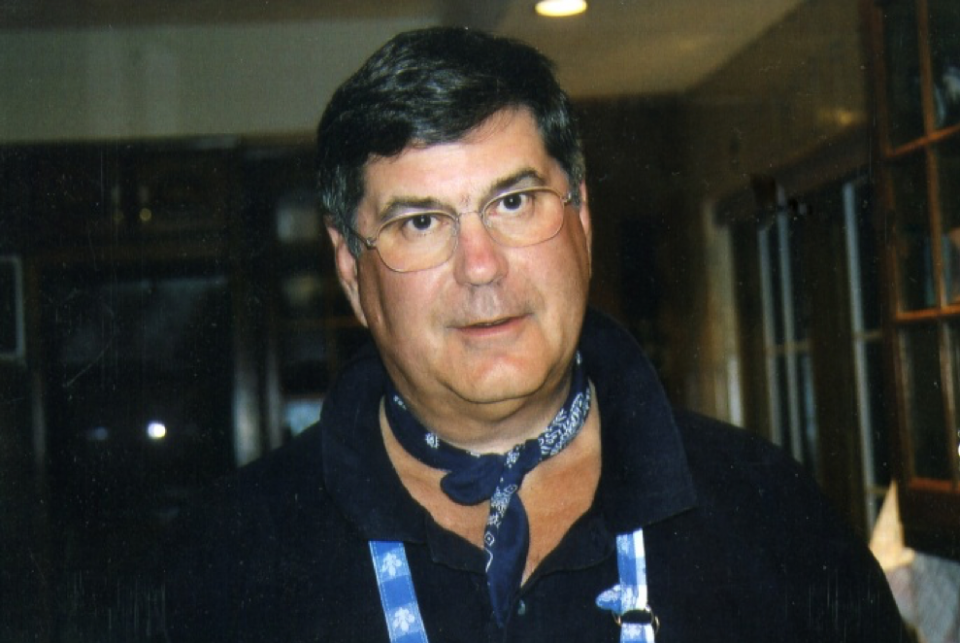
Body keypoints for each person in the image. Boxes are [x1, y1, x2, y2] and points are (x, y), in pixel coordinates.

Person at [161, 26, 909, 642]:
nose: (481, 266)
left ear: (582, 218)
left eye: (514, 202)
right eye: (420, 222)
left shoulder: (771, 511)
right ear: (351, 270)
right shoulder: (224, 562)